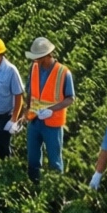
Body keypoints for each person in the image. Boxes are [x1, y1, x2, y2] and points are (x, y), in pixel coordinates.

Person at [24, 37, 74, 182]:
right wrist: (26, 110)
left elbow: (70, 98)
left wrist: (52, 109)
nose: (36, 60)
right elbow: (30, 92)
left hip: (53, 124)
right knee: (32, 158)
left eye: (38, 57)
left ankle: (56, 192)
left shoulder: (63, 72)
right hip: (34, 120)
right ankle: (34, 185)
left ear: (47, 55)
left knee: (55, 161)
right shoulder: (33, 67)